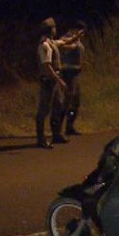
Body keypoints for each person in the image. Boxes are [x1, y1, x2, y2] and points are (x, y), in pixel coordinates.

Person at [35, 17, 79, 149]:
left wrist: (76, 37)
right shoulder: (44, 45)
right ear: (50, 30)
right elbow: (47, 66)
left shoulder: (50, 42)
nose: (55, 29)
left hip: (52, 81)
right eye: (54, 27)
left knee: (58, 107)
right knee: (44, 111)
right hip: (48, 81)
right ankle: (41, 139)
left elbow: (63, 42)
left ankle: (56, 134)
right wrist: (59, 80)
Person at [60, 21, 86, 136]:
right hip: (69, 72)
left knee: (75, 102)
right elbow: (64, 47)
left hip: (75, 72)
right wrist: (74, 39)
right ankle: (60, 127)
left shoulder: (76, 40)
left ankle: (69, 126)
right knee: (68, 100)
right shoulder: (67, 38)